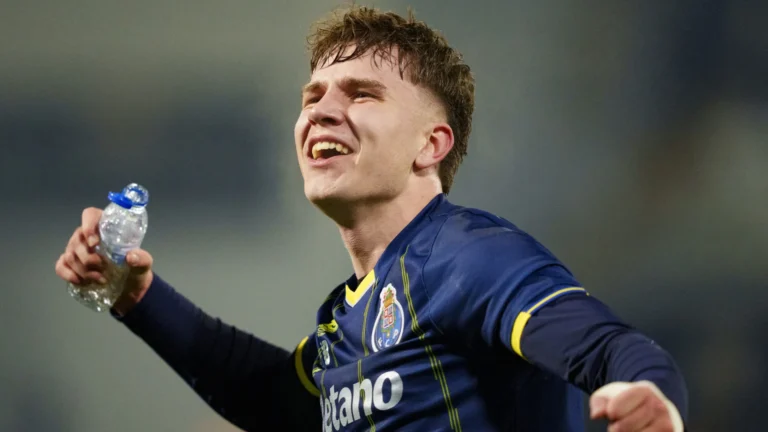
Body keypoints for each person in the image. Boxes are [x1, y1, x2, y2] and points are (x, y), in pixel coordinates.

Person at [55, 6, 688, 432]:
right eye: (312, 97)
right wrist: (136, 296)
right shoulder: (351, 314)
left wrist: (651, 395)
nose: (320, 111)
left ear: (430, 145)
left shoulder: (469, 258)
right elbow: (272, 397)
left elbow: (607, 348)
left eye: (361, 94)